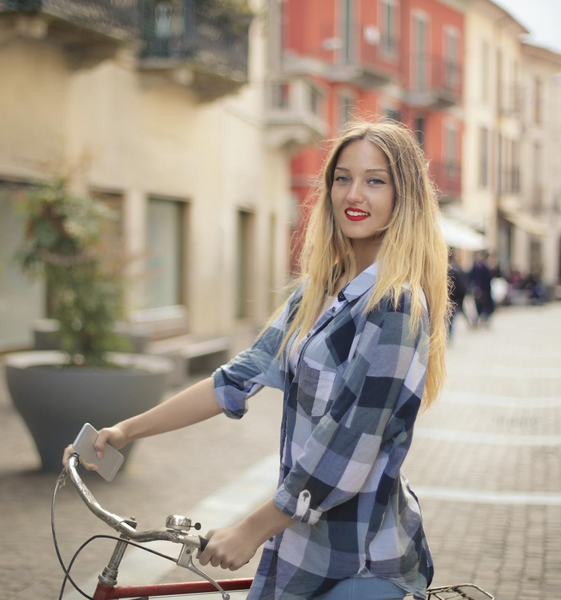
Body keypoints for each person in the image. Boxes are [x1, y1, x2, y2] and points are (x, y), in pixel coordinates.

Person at [63, 120, 449, 600]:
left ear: (403, 196)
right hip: (298, 544)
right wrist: (126, 431)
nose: (354, 193)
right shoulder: (319, 290)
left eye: (376, 180)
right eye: (342, 177)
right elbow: (236, 378)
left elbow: (347, 446)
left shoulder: (396, 306)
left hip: (360, 558)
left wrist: (250, 529)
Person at [469, 251, 495, 326]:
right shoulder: (480, 266)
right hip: (481, 290)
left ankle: (481, 319)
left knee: (483, 305)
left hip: (483, 290)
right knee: (481, 305)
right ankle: (479, 319)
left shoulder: (483, 266)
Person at [447, 253, 468, 340]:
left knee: (448, 318)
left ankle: (447, 335)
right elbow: (461, 287)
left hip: (448, 299)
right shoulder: (456, 270)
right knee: (451, 318)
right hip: (454, 299)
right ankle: (449, 335)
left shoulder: (446, 270)